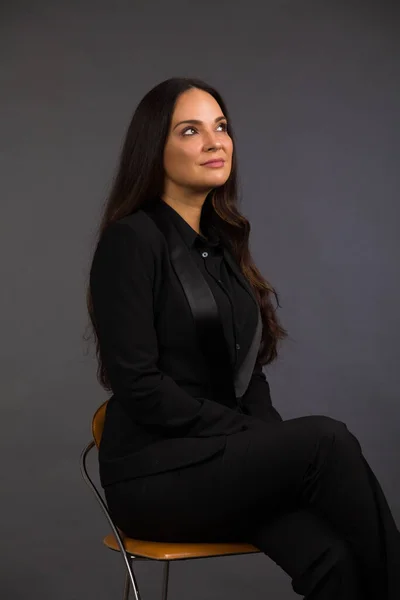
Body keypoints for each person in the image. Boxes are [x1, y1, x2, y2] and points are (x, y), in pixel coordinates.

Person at [87, 77, 400, 599]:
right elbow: (138, 384)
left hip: (223, 466)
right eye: (191, 130)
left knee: (334, 560)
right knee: (325, 439)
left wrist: (267, 449)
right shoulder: (131, 241)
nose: (216, 142)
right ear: (154, 149)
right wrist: (255, 441)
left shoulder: (221, 249)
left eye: (222, 127)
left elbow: (245, 375)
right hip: (154, 477)